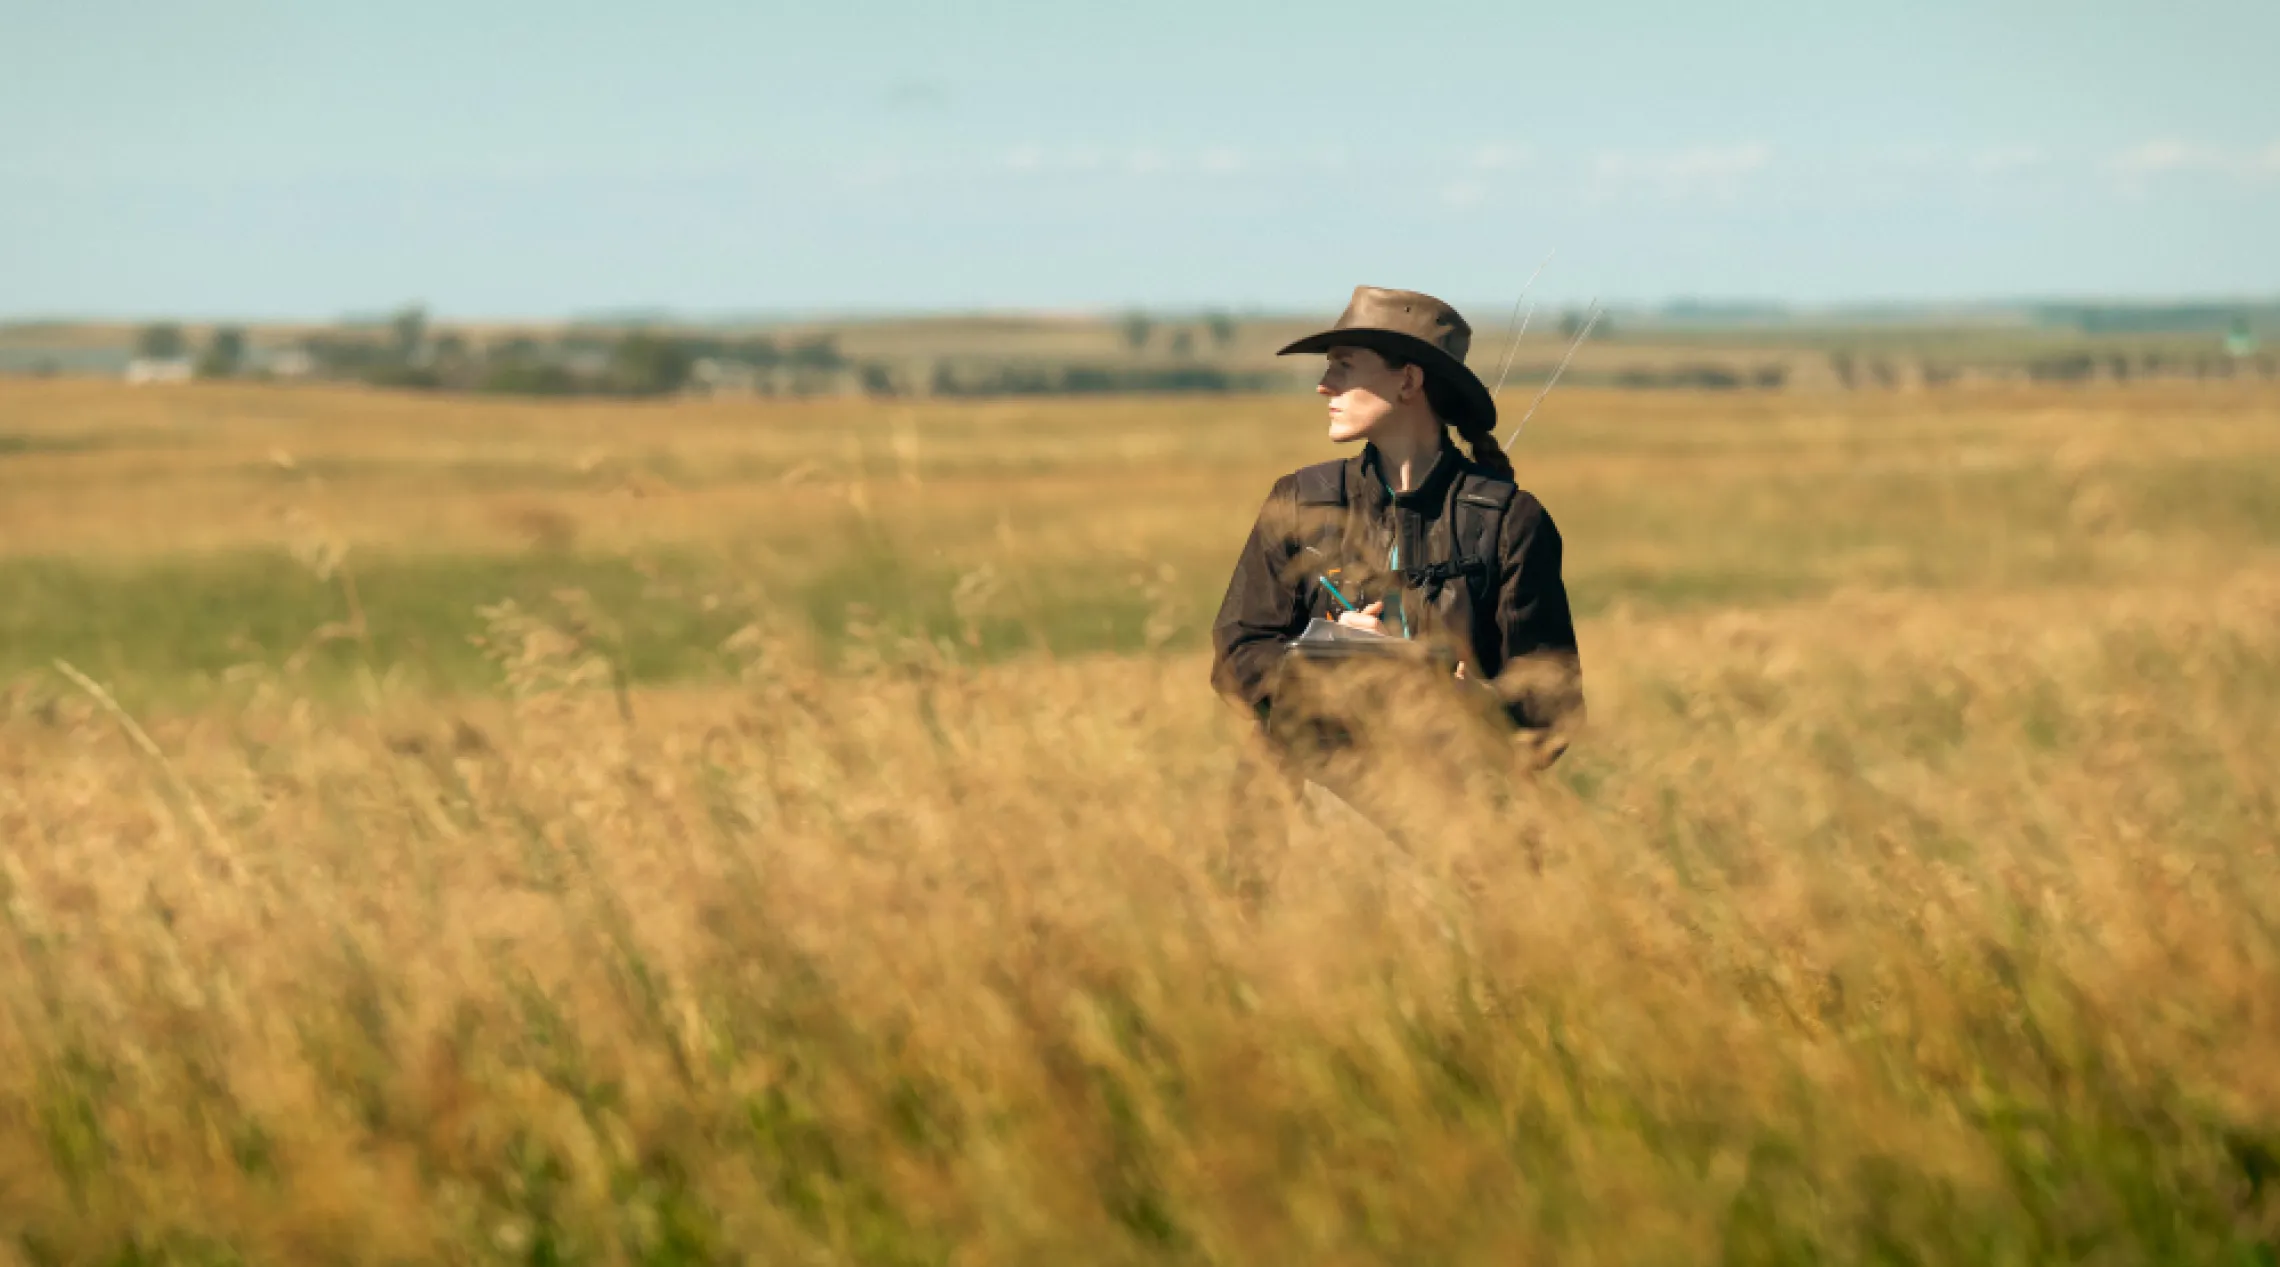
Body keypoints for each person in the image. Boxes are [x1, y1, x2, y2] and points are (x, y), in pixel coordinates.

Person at [1209, 286, 1585, 799]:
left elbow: (1552, 711)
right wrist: (1328, 658)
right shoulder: (1298, 502)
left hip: (1463, 829)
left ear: (1408, 380)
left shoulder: (1511, 521)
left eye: (1343, 365)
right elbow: (1237, 656)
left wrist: (1463, 701)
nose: (1324, 385)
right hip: (1310, 823)